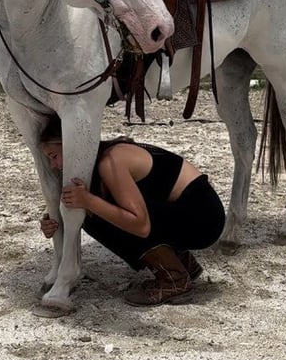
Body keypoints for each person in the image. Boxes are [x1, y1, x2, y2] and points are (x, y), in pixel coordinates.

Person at [38, 114, 225, 306]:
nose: (53, 165)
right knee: (91, 210)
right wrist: (54, 222)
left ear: (71, 145)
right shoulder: (97, 161)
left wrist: (89, 201)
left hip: (204, 219)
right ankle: (182, 262)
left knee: (95, 216)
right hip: (189, 212)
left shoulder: (111, 161)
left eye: (54, 156)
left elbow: (140, 224)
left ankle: (174, 279)